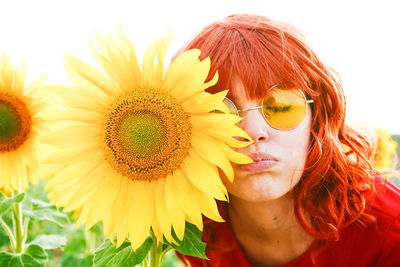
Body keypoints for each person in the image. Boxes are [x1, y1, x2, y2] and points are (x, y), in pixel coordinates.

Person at [175, 14, 400, 266]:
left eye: (281, 107)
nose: (252, 131)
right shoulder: (186, 226)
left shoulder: (387, 228)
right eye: (221, 113)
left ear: (317, 119)